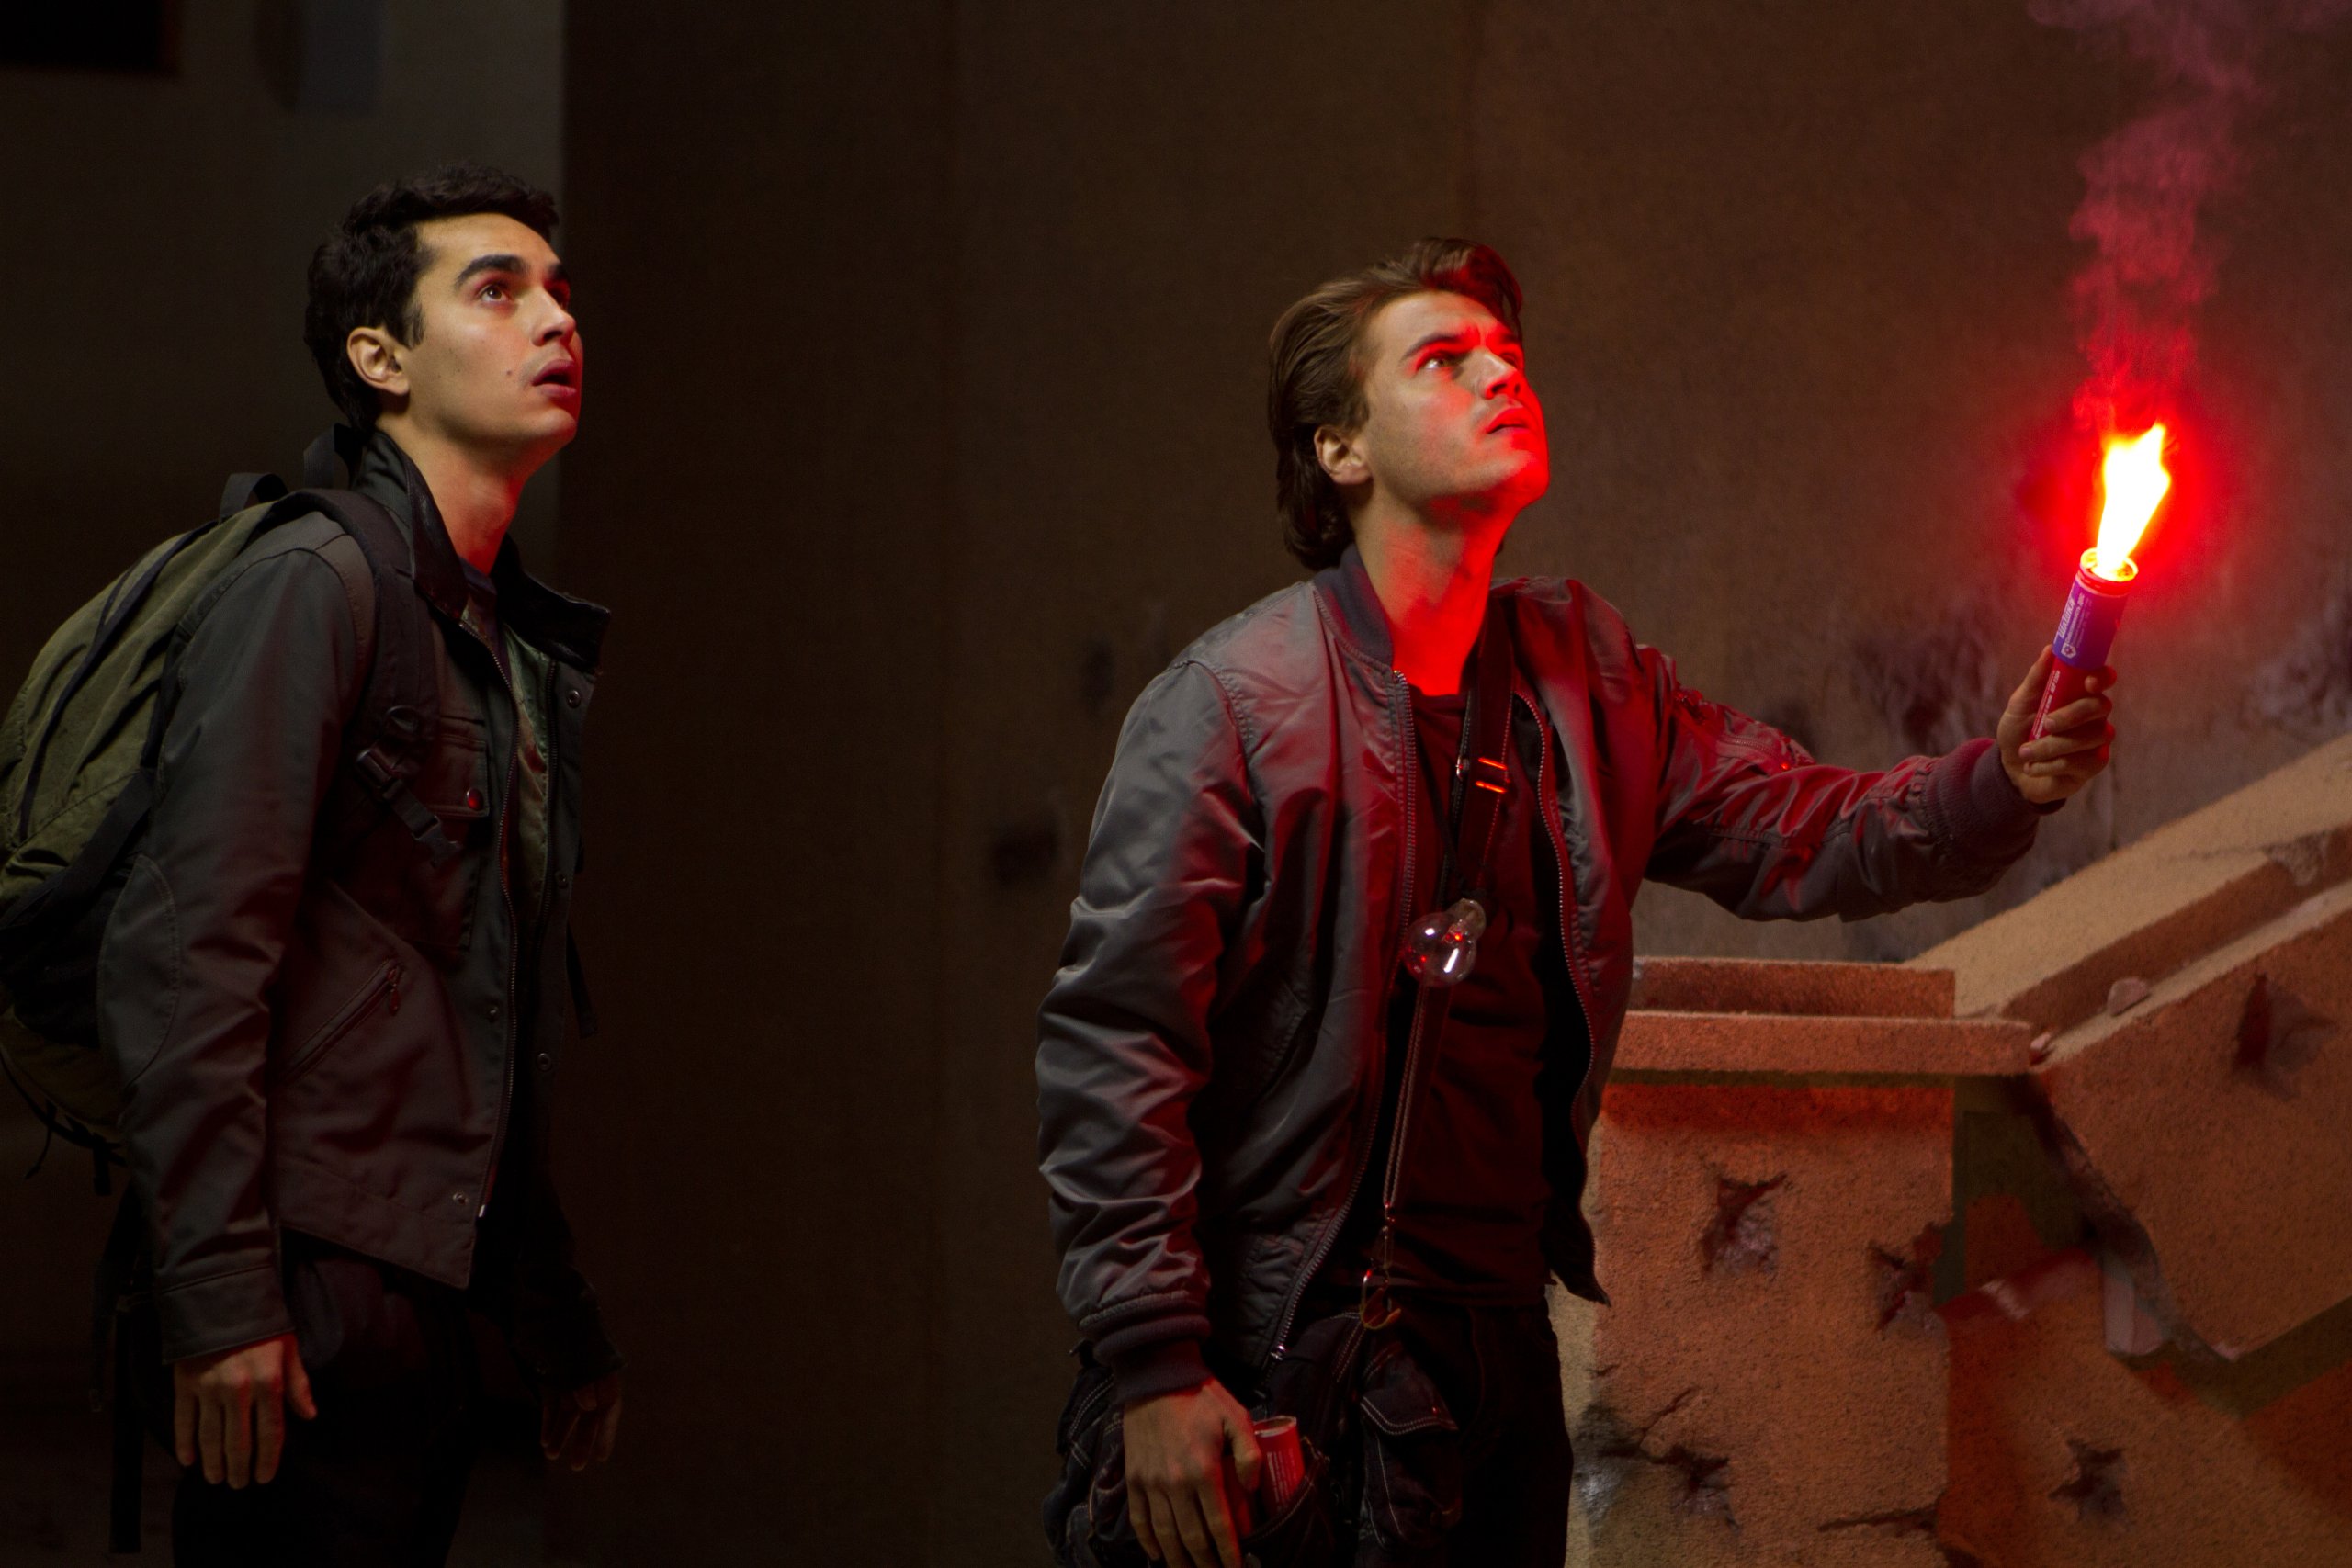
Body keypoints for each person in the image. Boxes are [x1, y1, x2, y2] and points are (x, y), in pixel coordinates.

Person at [1035, 238, 2114, 1568]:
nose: (1501, 376)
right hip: (1280, 1363)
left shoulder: (1584, 680)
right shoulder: (1229, 706)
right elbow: (1117, 1044)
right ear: (1340, 449)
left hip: (1497, 1353)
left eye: (1509, 356)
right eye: (1443, 361)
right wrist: (1153, 1366)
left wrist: (1999, 783)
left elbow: (1805, 830)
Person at [99, 164, 622, 1565]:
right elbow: (190, 952)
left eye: (559, 291)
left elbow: (477, 1007)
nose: (555, 321)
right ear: (380, 359)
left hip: (418, 1294)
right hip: (305, 1291)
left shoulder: (497, 634)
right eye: (497, 292)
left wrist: (548, 1305)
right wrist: (221, 1297)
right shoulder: (314, 584)